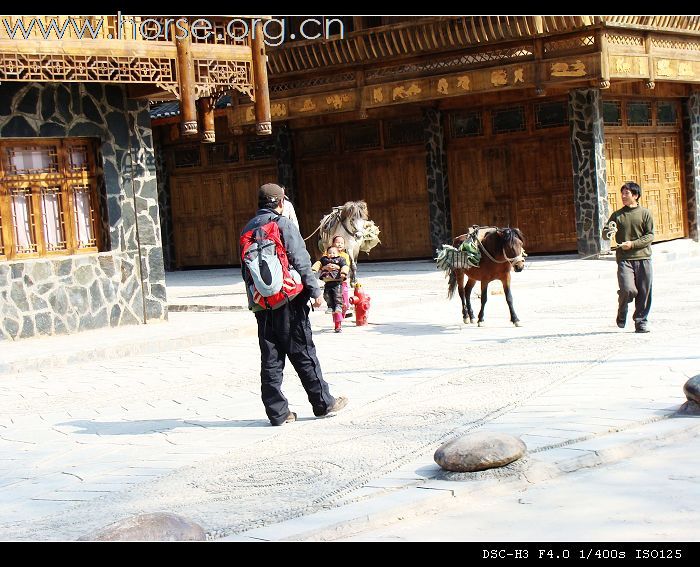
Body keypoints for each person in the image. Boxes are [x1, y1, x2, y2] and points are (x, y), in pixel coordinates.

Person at [241, 183, 348, 425]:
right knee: (303, 351)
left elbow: (246, 271)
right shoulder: (282, 224)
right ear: (280, 203)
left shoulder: (246, 228)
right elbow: (301, 259)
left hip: (262, 303)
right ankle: (323, 402)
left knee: (270, 356)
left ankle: (277, 413)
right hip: (289, 299)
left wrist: (256, 300)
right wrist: (315, 291)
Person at [602, 181, 654, 333]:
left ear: (636, 196)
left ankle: (641, 322)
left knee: (644, 292)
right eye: (622, 193)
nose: (623, 196)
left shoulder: (645, 213)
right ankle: (622, 308)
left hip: (643, 258)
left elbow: (650, 235)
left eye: (627, 193)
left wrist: (632, 244)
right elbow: (605, 233)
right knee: (628, 289)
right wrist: (609, 232)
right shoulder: (617, 215)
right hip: (625, 259)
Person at [312, 245, 349, 333]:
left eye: (333, 253)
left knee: (337, 296)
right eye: (329, 253)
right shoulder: (324, 259)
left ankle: (338, 308)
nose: (331, 254)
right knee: (326, 295)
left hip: (338, 282)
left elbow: (345, 266)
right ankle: (330, 307)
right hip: (328, 282)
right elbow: (318, 264)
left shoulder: (342, 259)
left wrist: (343, 272)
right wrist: (314, 269)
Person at [332, 235, 353, 318]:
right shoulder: (327, 255)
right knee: (336, 304)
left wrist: (338, 268)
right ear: (333, 244)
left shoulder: (345, 255)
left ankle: (342, 317)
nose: (339, 244)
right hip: (332, 283)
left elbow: (346, 266)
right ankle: (338, 322)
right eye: (337, 242)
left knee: (346, 304)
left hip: (342, 282)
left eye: (342, 243)